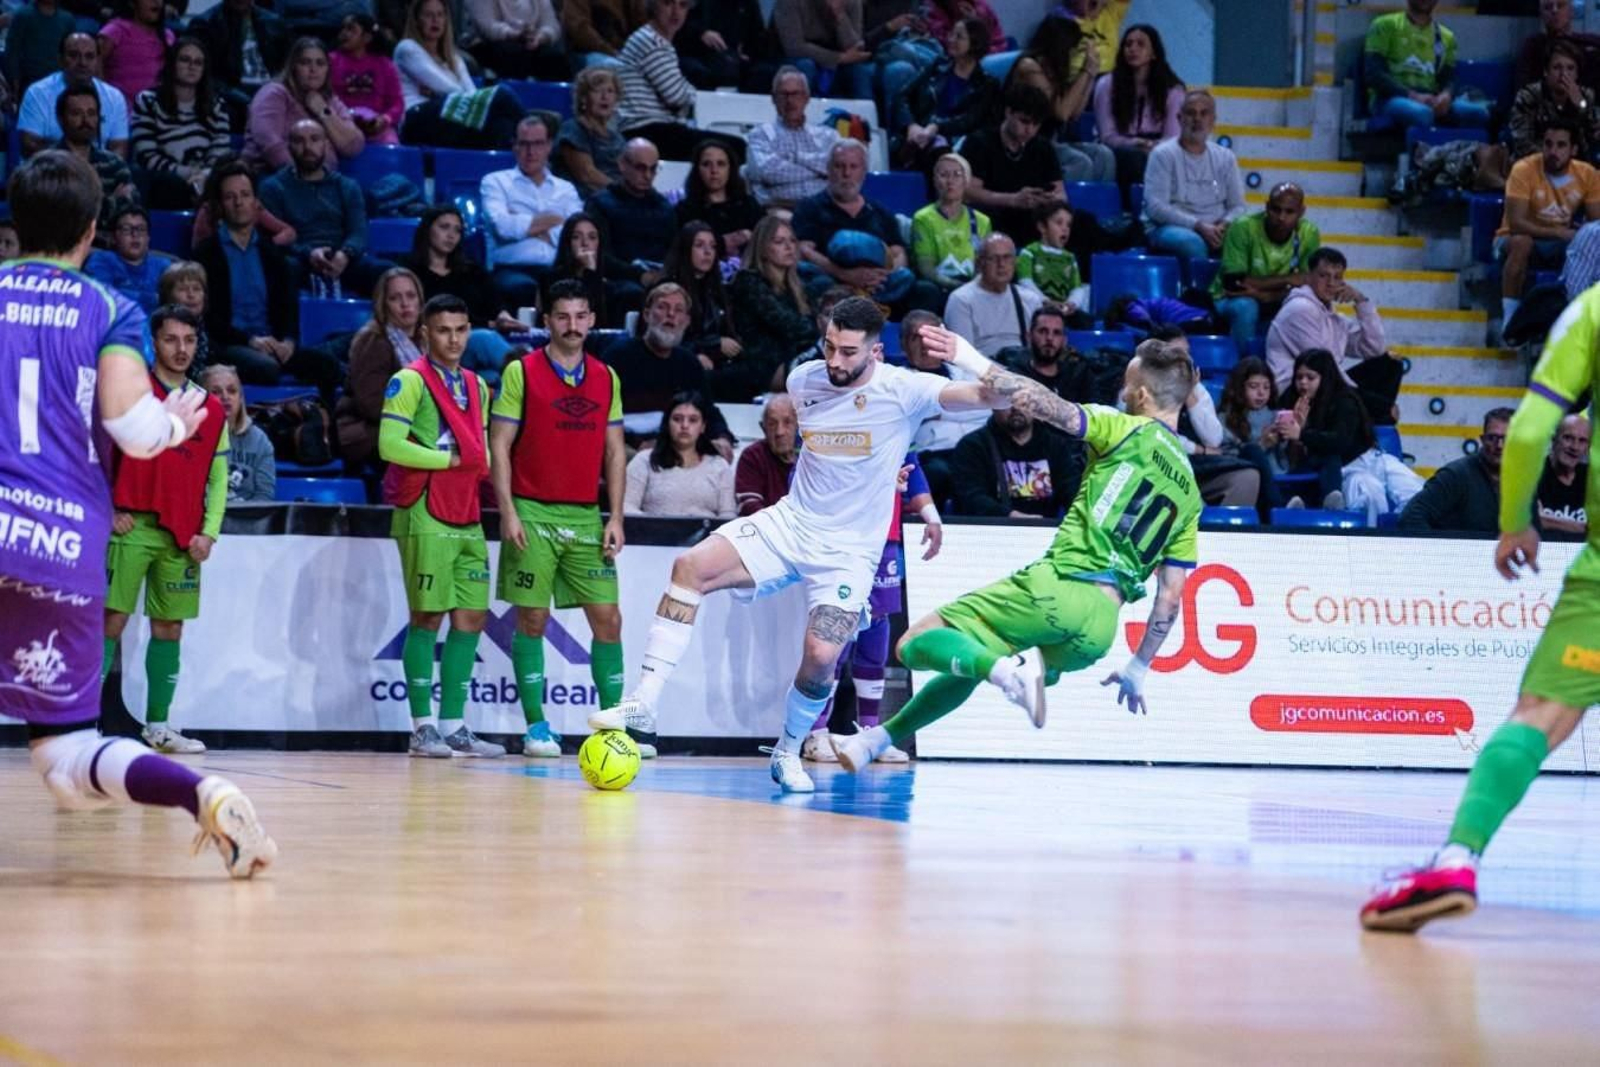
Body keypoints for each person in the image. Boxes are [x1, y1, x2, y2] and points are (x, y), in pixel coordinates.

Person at [587, 297, 1012, 788]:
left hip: (850, 553)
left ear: (875, 353)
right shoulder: (802, 381)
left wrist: (965, 353)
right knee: (689, 567)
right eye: (829, 346)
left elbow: (998, 398)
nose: (835, 361)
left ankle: (788, 750)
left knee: (820, 656)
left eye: (848, 352)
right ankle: (643, 706)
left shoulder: (907, 389)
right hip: (791, 523)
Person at [0, 150, 276, 877]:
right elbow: (133, 430)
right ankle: (203, 791)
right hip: (59, 544)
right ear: (92, 229)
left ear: (14, 221)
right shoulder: (108, 308)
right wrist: (177, 423)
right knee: (63, 757)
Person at [832, 328, 1204, 768]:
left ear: (1141, 394)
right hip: (1098, 631)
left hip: (1062, 585)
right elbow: (1171, 596)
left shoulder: (1126, 429)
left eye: (1126, 384)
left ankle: (1006, 673)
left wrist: (969, 356)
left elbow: (1044, 405)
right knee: (976, 657)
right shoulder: (1191, 493)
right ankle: (876, 740)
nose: (1121, 392)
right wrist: (1138, 667)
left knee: (917, 642)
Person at [1358, 288, 1600, 932]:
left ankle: (1457, 859)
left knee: (1541, 715)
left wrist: (1516, 522)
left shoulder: (1594, 310)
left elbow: (1527, 431)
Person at [490, 277, 627, 758]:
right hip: (531, 510)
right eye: (562, 316)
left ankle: (614, 728)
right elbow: (499, 445)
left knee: (608, 618)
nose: (572, 325)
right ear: (546, 320)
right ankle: (536, 729)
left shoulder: (607, 376)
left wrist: (616, 517)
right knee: (532, 617)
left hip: (587, 515)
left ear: (592, 319)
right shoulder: (520, 373)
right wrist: (507, 510)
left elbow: (614, 451)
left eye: (580, 316)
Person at [378, 294, 505, 759]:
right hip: (423, 509)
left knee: (471, 617)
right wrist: (451, 460)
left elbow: (484, 453)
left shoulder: (477, 385)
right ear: (425, 334)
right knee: (427, 617)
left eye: (461, 329)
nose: (453, 339)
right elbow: (390, 445)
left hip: (467, 510)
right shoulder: (407, 381)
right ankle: (421, 727)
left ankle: (454, 724)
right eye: (444, 330)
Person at [103, 304, 229, 756]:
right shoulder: (130, 394)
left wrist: (209, 531)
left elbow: (217, 476)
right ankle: (78, 724)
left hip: (183, 536)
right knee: (110, 622)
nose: (180, 349)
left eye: (189, 340)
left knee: (170, 627)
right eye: (171, 339)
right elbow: (97, 453)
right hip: (131, 525)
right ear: (153, 342)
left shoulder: (210, 407)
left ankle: (158, 726)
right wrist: (107, 508)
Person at [191, 161, 314, 389]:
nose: (239, 203)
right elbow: (208, 318)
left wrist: (287, 342)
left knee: (327, 366)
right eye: (230, 197)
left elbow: (289, 308)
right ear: (220, 205)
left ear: (256, 203)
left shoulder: (274, 255)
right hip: (229, 344)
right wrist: (251, 341)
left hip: (272, 344)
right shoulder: (205, 255)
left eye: (245, 195)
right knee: (266, 367)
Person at [792, 139, 939, 316]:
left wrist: (881, 277)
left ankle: (914, 340)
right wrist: (846, 274)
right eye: (839, 166)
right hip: (835, 282)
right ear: (829, 170)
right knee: (817, 283)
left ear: (864, 171)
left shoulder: (880, 212)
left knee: (925, 290)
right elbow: (804, 251)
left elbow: (899, 253)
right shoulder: (810, 208)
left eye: (854, 167)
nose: (847, 173)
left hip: (880, 286)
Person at [1282, 347, 1422, 518]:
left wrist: (1302, 434)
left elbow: (1341, 440)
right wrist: (1301, 430)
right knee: (1370, 494)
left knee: (1416, 493)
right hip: (1348, 469)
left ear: (1325, 378)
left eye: (1310, 377)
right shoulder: (1293, 403)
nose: (1303, 382)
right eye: (1299, 377)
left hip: (1374, 459)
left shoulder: (1344, 400)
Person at [259, 119, 392, 297]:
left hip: (342, 260)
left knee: (387, 273)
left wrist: (345, 254)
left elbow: (358, 231)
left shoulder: (347, 186)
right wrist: (308, 253)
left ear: (326, 145)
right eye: (299, 141)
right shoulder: (273, 187)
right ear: (289, 146)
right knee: (281, 269)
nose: (307, 147)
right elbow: (277, 238)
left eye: (315, 139)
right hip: (299, 260)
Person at [1265, 247, 1399, 422]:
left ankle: (1367, 422)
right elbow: (1323, 368)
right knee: (1383, 410)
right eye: (1323, 276)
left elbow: (1374, 348)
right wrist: (1368, 402)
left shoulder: (1333, 317)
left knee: (1389, 365)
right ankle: (1367, 424)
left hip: (1325, 387)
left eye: (1337, 278)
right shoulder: (1299, 309)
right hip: (1294, 392)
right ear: (1308, 277)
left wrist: (1361, 301)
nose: (1330, 283)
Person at [1496, 121, 1600, 326]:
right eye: (1548, 144)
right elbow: (1516, 224)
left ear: (1573, 150)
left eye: (1561, 145)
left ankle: (1582, 318)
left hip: (1557, 242)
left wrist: (1581, 232)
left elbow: (1596, 224)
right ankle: (1510, 320)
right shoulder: (1523, 169)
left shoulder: (1588, 174)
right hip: (1515, 239)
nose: (1553, 151)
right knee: (1521, 243)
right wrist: (1561, 233)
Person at [481, 111, 585, 312]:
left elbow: (574, 234)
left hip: (558, 269)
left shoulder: (566, 189)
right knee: (523, 289)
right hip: (512, 269)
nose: (530, 151)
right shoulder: (495, 182)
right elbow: (502, 227)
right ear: (515, 146)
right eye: (524, 144)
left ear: (549, 146)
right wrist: (554, 220)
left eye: (537, 144)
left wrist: (521, 222)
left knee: (583, 288)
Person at [403, 204, 521, 379]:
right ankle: (532, 380)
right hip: (437, 345)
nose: (451, 235)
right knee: (484, 338)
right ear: (427, 230)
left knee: (491, 377)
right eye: (444, 227)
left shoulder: (472, 270)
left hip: (472, 352)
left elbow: (496, 305)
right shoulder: (409, 272)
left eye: (457, 231)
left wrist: (503, 317)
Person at [394, 0, 526, 150]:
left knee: (501, 127)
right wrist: (446, 96)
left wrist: (438, 95)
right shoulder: (407, 49)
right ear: (417, 20)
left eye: (440, 15)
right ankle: (537, 134)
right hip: (416, 118)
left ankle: (526, 158)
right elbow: (447, 88)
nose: (435, 20)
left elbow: (471, 94)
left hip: (450, 118)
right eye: (428, 15)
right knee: (501, 93)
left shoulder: (454, 58)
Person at [1006, 14, 1115, 184]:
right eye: (1074, 49)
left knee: (1103, 155)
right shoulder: (1029, 66)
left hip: (1050, 142)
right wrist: (1085, 71)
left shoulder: (1056, 72)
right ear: (1061, 46)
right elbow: (1062, 113)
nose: (1075, 55)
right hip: (1026, 141)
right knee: (1080, 162)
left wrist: (1091, 74)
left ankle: (1096, 208)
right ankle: (1059, 209)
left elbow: (1074, 114)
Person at [1211, 182, 1319, 354]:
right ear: (1267, 207)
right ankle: (1245, 371)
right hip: (1227, 298)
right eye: (1276, 209)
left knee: (1308, 306)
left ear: (1301, 212)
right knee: (1246, 306)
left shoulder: (1309, 233)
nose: (1281, 217)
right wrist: (1288, 280)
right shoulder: (1243, 227)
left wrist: (1266, 295)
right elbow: (1234, 283)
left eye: (1289, 212)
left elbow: (1309, 286)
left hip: (1273, 298)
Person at [338, 267, 427, 472]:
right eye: (395, 298)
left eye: (411, 296)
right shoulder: (373, 342)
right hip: (371, 432)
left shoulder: (425, 340)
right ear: (383, 305)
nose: (405, 304)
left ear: (420, 301)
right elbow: (372, 404)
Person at [1142, 90, 1247, 262]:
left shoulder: (1226, 157)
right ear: (1179, 118)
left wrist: (1223, 225)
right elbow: (1155, 207)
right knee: (1192, 243)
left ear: (1213, 120)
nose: (1197, 119)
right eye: (1191, 113)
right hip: (1170, 227)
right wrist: (1198, 226)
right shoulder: (1162, 154)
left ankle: (1238, 288)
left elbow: (1238, 206)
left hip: (1216, 227)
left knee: (1247, 236)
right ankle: (1199, 290)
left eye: (1204, 113)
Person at [962, 82, 1066, 250]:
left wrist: (1050, 200)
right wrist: (1012, 200)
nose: (1030, 129)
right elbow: (968, 193)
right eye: (1024, 121)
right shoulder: (980, 142)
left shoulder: (1043, 148)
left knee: (1080, 221)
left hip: (1032, 217)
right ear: (1008, 112)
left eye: (1036, 124)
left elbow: (1060, 193)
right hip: (995, 214)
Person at [891, 16, 999, 174]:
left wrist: (936, 127)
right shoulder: (938, 66)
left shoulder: (987, 84)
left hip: (955, 141)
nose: (951, 40)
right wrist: (911, 125)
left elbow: (970, 120)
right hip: (920, 132)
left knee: (939, 152)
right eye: (952, 34)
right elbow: (902, 96)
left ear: (975, 43)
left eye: (959, 36)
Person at [726, 216, 819, 399]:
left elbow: (810, 324)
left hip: (795, 358)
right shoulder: (748, 281)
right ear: (763, 248)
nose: (789, 247)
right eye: (779, 242)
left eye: (792, 241)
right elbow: (788, 324)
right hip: (764, 365)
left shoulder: (798, 286)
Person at [1362, 0, 1490, 131]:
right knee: (1423, 114)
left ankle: (1459, 150)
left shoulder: (1447, 37)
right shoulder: (1384, 25)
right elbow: (1374, 74)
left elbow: (1448, 77)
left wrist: (1446, 96)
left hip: (1430, 98)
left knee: (1479, 114)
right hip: (1390, 98)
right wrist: (1414, 96)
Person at [243, 36, 365, 173]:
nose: (313, 69)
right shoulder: (274, 93)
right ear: (294, 66)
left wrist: (323, 111)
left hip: (323, 181)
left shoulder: (330, 100)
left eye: (320, 63)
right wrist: (301, 178)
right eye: (305, 62)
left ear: (327, 69)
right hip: (276, 177)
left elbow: (353, 146)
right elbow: (270, 144)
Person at [603, 281, 721, 416]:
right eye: (662, 307)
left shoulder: (689, 363)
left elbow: (709, 412)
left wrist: (722, 436)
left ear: (687, 321)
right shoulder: (618, 357)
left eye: (678, 309)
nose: (671, 314)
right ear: (647, 315)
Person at [949, 406, 1084, 518]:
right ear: (994, 406)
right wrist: (1010, 516)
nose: (1015, 408)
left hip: (1047, 531)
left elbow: (1071, 490)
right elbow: (971, 497)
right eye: (1006, 402)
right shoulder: (973, 446)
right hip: (991, 531)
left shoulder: (1055, 445)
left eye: (1023, 401)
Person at [1092, 24, 1184, 188]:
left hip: (1159, 148)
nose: (1133, 49)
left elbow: (1173, 137)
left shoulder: (1172, 89)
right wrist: (1136, 143)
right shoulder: (1106, 84)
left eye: (1140, 44)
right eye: (1128, 44)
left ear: (1153, 53)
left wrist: (1154, 147)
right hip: (1120, 149)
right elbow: (1107, 136)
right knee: (1135, 160)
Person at [616, 0, 706, 161]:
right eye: (668, 3)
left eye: (683, 5)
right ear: (653, 6)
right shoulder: (651, 41)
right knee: (732, 147)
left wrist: (686, 92)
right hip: (646, 131)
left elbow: (678, 90)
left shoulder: (658, 41)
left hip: (659, 129)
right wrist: (690, 94)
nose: (676, 12)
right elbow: (676, 97)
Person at [623, 391, 738, 517]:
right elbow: (627, 507)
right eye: (677, 419)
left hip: (708, 536)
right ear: (667, 423)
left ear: (703, 426)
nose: (684, 425)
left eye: (693, 420)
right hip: (653, 535)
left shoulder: (719, 466)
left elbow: (728, 516)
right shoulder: (644, 461)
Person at [18, 32, 131, 159]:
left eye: (89, 56)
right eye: (73, 55)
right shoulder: (37, 93)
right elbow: (30, 145)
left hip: (100, 174)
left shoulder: (115, 97)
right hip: (51, 173)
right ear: (60, 59)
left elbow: (119, 148)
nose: (82, 62)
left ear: (97, 61)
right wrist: (75, 168)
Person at [1397, 408, 1511, 533]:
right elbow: (1411, 517)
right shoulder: (1455, 475)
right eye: (1493, 438)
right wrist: (1440, 550)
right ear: (1482, 440)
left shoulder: (1529, 477)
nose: (1500, 446)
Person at [587, 138, 678, 292]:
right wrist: (639, 275)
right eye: (640, 168)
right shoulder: (600, 204)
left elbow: (674, 252)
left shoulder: (664, 208)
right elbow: (598, 255)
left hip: (660, 278)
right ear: (622, 164)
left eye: (653, 168)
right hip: (618, 279)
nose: (648, 176)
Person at [744, 66, 841, 209]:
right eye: (784, 94)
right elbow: (766, 173)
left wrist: (795, 157)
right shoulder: (760, 134)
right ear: (773, 99)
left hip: (824, 208)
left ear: (807, 98)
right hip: (779, 208)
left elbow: (838, 170)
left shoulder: (828, 135)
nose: (790, 101)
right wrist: (820, 171)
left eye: (796, 94)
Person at [53, 85, 138, 240]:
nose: (85, 121)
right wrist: (113, 201)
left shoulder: (114, 164)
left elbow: (132, 210)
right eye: (76, 113)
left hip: (114, 247)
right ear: (61, 119)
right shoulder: (49, 165)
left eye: (91, 114)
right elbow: (67, 220)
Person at [944, 234, 1044, 357]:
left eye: (1007, 257)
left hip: (1024, 370)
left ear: (1015, 261)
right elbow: (963, 356)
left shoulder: (1031, 299)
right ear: (980, 262)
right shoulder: (960, 300)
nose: (1001, 264)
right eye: (993, 258)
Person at [192, 0, 289, 127]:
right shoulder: (205, 24)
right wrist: (244, 100)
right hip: (232, 97)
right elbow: (206, 76)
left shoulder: (274, 22)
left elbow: (287, 67)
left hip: (271, 91)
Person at [662, 221, 741, 367]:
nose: (708, 252)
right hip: (683, 362)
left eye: (713, 246)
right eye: (699, 245)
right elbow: (665, 339)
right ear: (685, 249)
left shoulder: (717, 290)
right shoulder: (668, 290)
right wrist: (713, 345)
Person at [910, 152, 992, 294]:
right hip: (939, 285)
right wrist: (956, 286)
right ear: (935, 180)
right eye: (944, 175)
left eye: (957, 175)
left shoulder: (982, 221)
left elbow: (984, 265)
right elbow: (926, 269)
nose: (950, 181)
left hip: (973, 285)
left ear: (966, 181)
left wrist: (972, 287)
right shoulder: (922, 218)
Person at [1509, 41, 1600, 161]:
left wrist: (1581, 106)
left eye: (1570, 68)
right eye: (1557, 68)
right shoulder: (1528, 96)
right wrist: (1556, 158)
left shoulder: (1586, 95)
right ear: (1546, 72)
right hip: (1535, 164)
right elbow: (1522, 143)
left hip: (1577, 166)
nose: (1563, 74)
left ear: (1577, 74)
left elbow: (1595, 136)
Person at [675, 139, 763, 262]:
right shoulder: (685, 210)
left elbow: (768, 237)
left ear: (730, 169)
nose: (714, 171)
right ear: (697, 170)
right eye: (706, 164)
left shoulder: (748, 204)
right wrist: (722, 243)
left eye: (721, 164)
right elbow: (682, 249)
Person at [201, 364, 276, 503]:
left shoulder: (260, 441)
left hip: (247, 521)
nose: (225, 397)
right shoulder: (189, 439)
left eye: (232, 391)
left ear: (240, 397)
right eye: (216, 392)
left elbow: (264, 497)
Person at [543, 212, 631, 328]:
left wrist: (591, 273)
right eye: (576, 237)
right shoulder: (549, 279)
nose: (585, 243)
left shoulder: (610, 288)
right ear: (567, 242)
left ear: (599, 243)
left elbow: (597, 324)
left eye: (592, 237)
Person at [774, 0, 874, 102]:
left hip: (837, 61)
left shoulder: (852, 2)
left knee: (859, 72)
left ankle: (865, 116)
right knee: (806, 65)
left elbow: (855, 47)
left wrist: (840, 15)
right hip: (795, 58)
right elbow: (794, 47)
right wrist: (839, 58)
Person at [329, 13, 405, 146]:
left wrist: (385, 119)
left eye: (351, 29)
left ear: (367, 37)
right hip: (341, 125)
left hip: (376, 127)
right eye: (343, 28)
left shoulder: (385, 65)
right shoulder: (331, 61)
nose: (344, 33)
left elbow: (397, 102)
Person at [1216, 356, 1293, 480]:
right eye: (1253, 386)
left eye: (1266, 387)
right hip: (1246, 479)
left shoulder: (1276, 415)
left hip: (1279, 475)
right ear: (1239, 388)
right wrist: (1261, 445)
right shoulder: (1224, 419)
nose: (1261, 393)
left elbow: (1287, 457)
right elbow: (1227, 457)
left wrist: (1294, 433)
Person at [86, 205, 173, 313]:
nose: (135, 235)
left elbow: (174, 302)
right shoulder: (102, 260)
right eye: (126, 229)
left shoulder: (163, 266)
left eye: (141, 229)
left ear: (148, 238)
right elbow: (103, 297)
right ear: (113, 238)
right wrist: (154, 299)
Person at [556, 67, 626, 198]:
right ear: (583, 98)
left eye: (610, 91)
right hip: (585, 200)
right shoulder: (573, 129)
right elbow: (587, 175)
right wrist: (625, 192)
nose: (605, 97)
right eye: (597, 91)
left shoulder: (617, 138)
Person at [1015, 200, 1090, 318]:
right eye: (1059, 223)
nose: (1065, 229)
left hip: (1063, 311)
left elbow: (1077, 288)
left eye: (1068, 225)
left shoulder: (1070, 258)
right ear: (1042, 227)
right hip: (1037, 309)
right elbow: (1025, 282)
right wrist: (1045, 301)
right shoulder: (1029, 253)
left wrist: (1071, 303)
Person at [465, 0, 568, 83]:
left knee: (556, 56)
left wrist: (540, 37)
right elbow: (488, 26)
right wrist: (515, 34)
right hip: (493, 43)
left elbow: (552, 24)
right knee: (513, 54)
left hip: (532, 40)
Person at [98, 0, 173, 111]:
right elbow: (94, 63)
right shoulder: (116, 30)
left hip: (156, 111)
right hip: (119, 110)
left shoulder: (167, 36)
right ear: (132, 3)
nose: (156, 2)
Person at [1514, 0, 1600, 95]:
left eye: (1560, 5)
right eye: (1548, 7)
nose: (1554, 10)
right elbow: (1523, 89)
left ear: (1571, 11)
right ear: (1541, 14)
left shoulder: (1592, 42)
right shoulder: (1533, 46)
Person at [735, 393, 798, 515]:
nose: (780, 432)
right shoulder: (753, 456)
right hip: (766, 530)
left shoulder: (813, 457)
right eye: (772, 424)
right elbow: (748, 505)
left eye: (787, 422)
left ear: (799, 425)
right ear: (763, 428)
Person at [3, 0, 76, 99]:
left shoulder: (67, 20)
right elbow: (12, 50)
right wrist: (14, 80)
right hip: (28, 81)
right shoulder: (23, 16)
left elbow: (71, 53)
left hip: (57, 82)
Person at [1539, 411, 1591, 535]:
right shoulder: (1532, 474)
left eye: (1582, 441)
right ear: (1553, 440)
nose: (1575, 447)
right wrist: (1587, 528)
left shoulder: (1592, 478)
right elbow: (1534, 520)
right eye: (1568, 438)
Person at [562, 0, 645, 71]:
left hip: (626, 50)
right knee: (620, 68)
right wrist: (612, 52)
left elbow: (642, 23)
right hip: (589, 52)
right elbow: (580, 29)